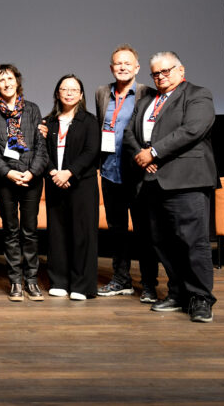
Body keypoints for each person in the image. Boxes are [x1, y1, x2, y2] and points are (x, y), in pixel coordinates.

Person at [124, 51, 219, 322]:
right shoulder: (147, 101)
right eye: (156, 73)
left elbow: (193, 130)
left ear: (181, 70)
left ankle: (201, 298)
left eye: (166, 71)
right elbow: (129, 133)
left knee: (192, 241)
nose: (161, 76)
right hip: (151, 181)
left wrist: (154, 152)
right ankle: (178, 293)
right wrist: (142, 156)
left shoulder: (198, 94)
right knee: (162, 242)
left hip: (187, 180)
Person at [93, 44, 158, 302]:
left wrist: (152, 154)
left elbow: (156, 128)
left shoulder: (148, 93)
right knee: (117, 231)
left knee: (144, 232)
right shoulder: (101, 92)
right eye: (118, 63)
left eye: (127, 63)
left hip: (138, 174)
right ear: (111, 68)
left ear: (137, 67)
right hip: (110, 173)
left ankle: (149, 284)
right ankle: (121, 280)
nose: (122, 67)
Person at [0, 64, 48, 302]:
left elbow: (41, 146)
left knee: (29, 232)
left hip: (31, 179)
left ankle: (32, 280)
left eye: (10, 78)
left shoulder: (32, 109)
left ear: (17, 81)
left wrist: (32, 172)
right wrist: (8, 172)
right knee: (10, 231)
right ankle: (16, 282)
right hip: (5, 180)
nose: (7, 83)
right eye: (1, 80)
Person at [42, 74, 100, 300]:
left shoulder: (90, 121)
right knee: (57, 233)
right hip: (54, 182)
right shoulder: (48, 122)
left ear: (81, 94)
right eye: (64, 89)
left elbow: (91, 151)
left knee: (82, 234)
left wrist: (69, 172)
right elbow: (42, 152)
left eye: (74, 89)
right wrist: (53, 172)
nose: (69, 93)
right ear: (57, 93)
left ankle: (81, 285)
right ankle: (59, 281)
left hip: (81, 184)